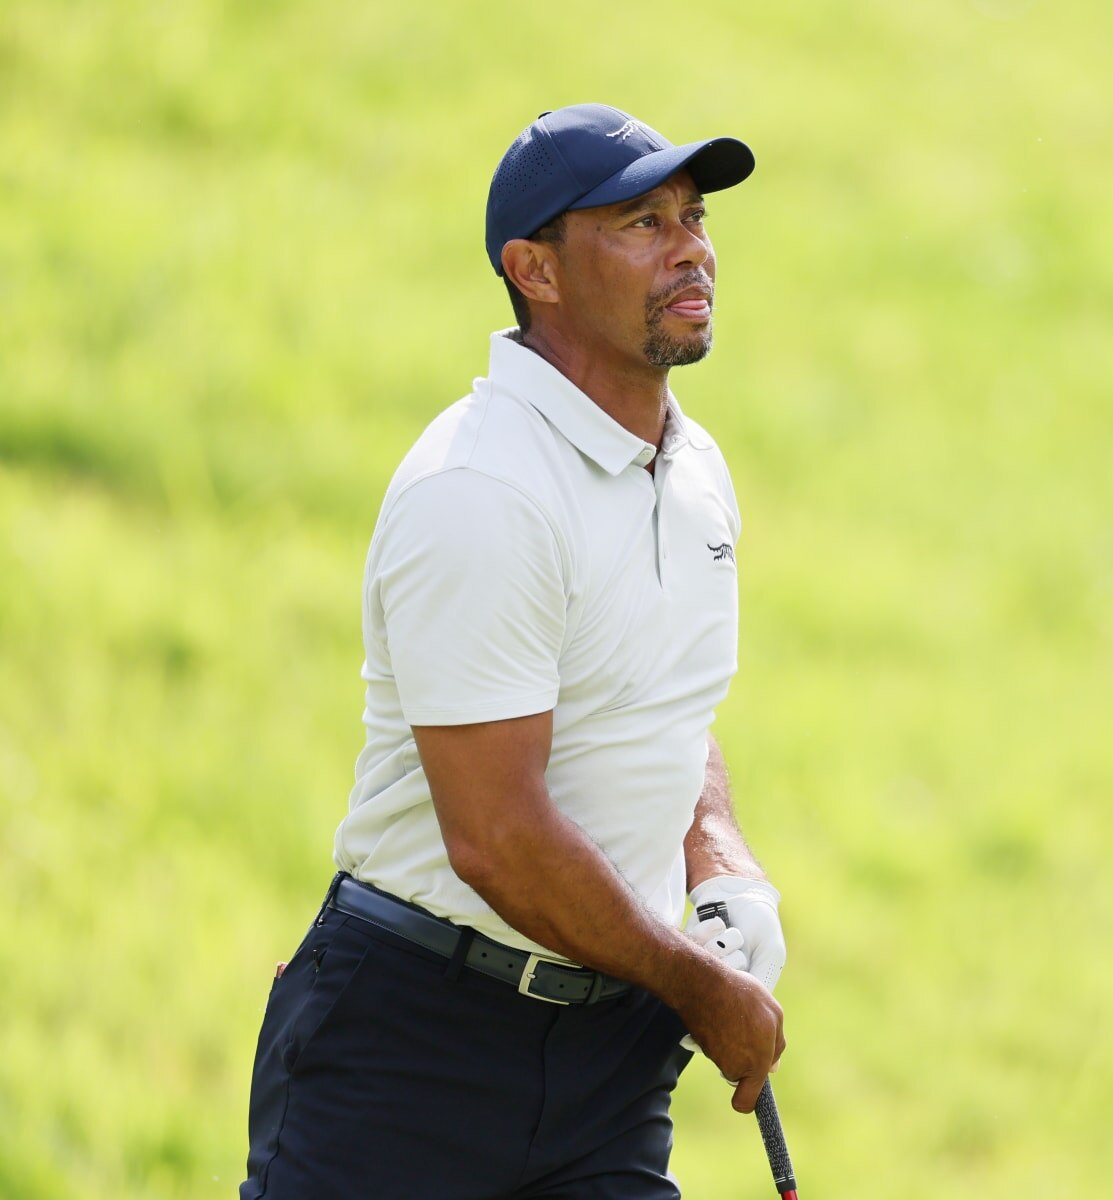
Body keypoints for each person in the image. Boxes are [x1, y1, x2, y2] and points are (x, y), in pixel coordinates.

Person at [240, 103, 788, 1199]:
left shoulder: (691, 471)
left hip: (608, 1062)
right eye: (641, 222)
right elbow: (496, 836)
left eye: (693, 216)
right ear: (533, 269)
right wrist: (700, 987)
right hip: (411, 1051)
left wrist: (722, 864)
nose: (689, 247)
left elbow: (659, 712)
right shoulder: (481, 492)